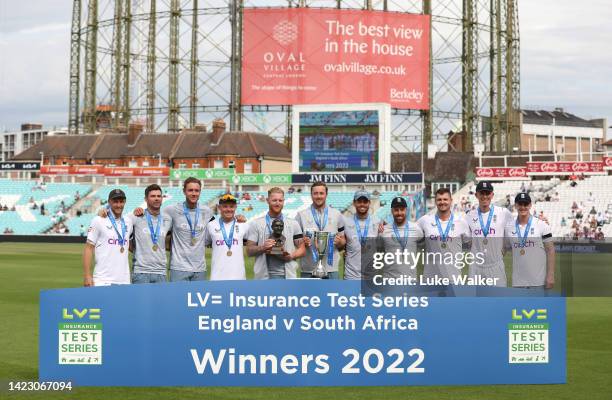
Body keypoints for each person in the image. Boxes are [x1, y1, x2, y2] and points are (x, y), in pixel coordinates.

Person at [246, 187, 305, 279]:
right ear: (267, 201)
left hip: (288, 277)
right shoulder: (256, 223)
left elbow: (302, 249)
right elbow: (249, 251)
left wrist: (291, 256)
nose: (277, 203)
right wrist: (263, 247)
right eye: (274, 200)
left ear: (283, 201)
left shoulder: (293, 223)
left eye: (280, 200)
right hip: (263, 278)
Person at [465, 181, 514, 287]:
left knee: (498, 301)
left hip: (495, 266)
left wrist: (505, 246)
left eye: (487, 193)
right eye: (481, 193)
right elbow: (467, 239)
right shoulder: (469, 215)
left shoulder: (503, 213)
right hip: (475, 267)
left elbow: (513, 231)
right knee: (475, 302)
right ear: (476, 195)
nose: (484, 196)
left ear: (492, 195)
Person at [165, 177, 214, 281]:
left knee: (199, 298)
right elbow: (155, 219)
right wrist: (141, 212)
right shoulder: (171, 210)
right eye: (190, 190)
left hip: (200, 269)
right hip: (178, 268)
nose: (194, 193)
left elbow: (219, 226)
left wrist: (237, 219)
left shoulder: (207, 211)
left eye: (197, 190)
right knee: (177, 298)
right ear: (184, 191)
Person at [417, 187, 471, 281]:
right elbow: (407, 229)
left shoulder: (461, 222)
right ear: (435, 201)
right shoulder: (425, 220)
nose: (442, 202)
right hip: (430, 279)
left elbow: (471, 242)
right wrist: (385, 226)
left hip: (453, 279)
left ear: (451, 201)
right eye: (439, 199)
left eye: (445, 199)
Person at [83, 189, 134, 286]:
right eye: (115, 202)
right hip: (103, 280)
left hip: (124, 281)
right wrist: (87, 275)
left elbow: (130, 245)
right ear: (109, 202)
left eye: (121, 202)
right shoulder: (98, 220)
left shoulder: (128, 221)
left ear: (125, 202)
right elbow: (88, 248)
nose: (118, 205)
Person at [504, 192, 555, 289]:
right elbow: (503, 249)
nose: (523, 207)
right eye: (520, 204)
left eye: (526, 204)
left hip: (538, 282)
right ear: (515, 205)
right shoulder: (509, 227)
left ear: (530, 205)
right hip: (518, 282)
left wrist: (551, 275)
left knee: (538, 305)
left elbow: (550, 250)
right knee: (518, 305)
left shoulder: (542, 224)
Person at [296, 181, 346, 279]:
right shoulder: (301, 215)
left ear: (326, 194)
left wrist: (340, 242)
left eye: (321, 193)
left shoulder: (337, 214)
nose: (318, 196)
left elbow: (343, 241)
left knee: (332, 295)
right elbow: (296, 242)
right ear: (311, 195)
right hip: (308, 269)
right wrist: (302, 242)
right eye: (315, 193)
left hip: (331, 269)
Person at [129, 184, 172, 283]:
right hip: (141, 272)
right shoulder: (136, 217)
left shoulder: (167, 219)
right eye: (153, 196)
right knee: (141, 299)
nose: (156, 199)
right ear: (146, 199)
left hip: (161, 272)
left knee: (160, 299)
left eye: (158, 196)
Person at [206, 194, 251, 280]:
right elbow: (204, 242)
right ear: (219, 207)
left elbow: (255, 241)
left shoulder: (243, 225)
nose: (228, 209)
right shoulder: (210, 226)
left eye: (231, 206)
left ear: (235, 207)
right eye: (225, 206)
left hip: (238, 278)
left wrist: (246, 221)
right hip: (217, 278)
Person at [380, 196, 424, 280]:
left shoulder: (416, 229)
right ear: (392, 211)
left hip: (410, 281)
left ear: (406, 210)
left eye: (402, 209)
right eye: (396, 210)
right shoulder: (384, 231)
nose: (399, 213)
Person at [343, 189, 384, 280]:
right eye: (359, 201)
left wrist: (381, 236)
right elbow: (341, 245)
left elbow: (381, 248)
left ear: (369, 203)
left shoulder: (377, 222)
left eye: (365, 201)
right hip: (351, 276)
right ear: (354, 203)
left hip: (371, 276)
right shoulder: (346, 221)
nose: (362, 204)